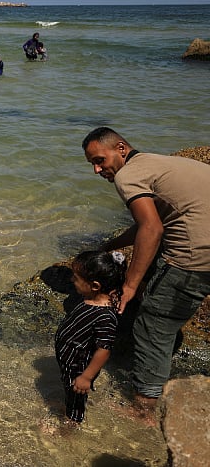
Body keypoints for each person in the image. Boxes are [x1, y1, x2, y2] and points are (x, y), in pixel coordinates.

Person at [82, 127, 210, 420]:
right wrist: (110, 245)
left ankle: (143, 410)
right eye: (92, 163)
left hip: (195, 257)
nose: (97, 169)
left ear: (121, 148)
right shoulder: (160, 163)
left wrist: (129, 285)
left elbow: (152, 229)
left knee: (152, 325)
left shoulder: (128, 176)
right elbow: (154, 222)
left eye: (100, 160)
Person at [55, 250, 124, 424]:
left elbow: (104, 350)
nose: (72, 280)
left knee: (76, 397)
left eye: (76, 278)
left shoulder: (105, 317)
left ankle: (71, 427)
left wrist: (86, 377)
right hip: (69, 362)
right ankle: (68, 409)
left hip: (78, 366)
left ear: (95, 286)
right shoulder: (89, 298)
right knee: (69, 390)